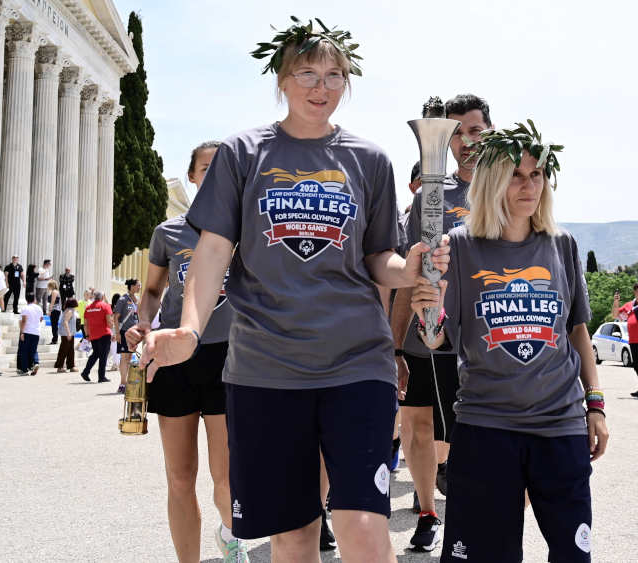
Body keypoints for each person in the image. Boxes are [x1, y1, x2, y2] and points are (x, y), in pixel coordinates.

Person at [138, 19, 451, 562]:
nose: (321, 86)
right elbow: (213, 251)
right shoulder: (242, 153)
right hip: (265, 367)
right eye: (306, 72)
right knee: (293, 531)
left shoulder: (369, 159)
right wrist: (190, 329)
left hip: (357, 362)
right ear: (281, 80)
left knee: (360, 521)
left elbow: (379, 257)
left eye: (334, 74)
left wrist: (411, 268)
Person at [410, 124, 608, 562]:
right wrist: (428, 305)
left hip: (559, 424)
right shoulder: (458, 247)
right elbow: (436, 336)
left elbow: (577, 331)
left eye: (537, 175)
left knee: (573, 555)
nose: (529, 185)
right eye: (517, 175)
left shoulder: (563, 244)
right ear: (494, 181)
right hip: (487, 425)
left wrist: (594, 404)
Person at [125, 140, 250, 562]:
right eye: (204, 167)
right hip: (177, 358)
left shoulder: (246, 230)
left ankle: (229, 535)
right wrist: (143, 321)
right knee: (179, 478)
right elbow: (154, 291)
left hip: (229, 359)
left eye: (221, 168)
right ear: (193, 176)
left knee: (225, 478)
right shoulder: (168, 232)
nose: (212, 174)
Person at [389, 93, 492, 546]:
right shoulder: (432, 195)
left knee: (466, 431)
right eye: (457, 133)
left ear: (490, 130)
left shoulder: (507, 187)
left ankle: (470, 515)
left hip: (481, 332)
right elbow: (408, 276)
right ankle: (428, 513)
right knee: (417, 424)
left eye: (474, 130)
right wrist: (394, 347)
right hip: (424, 328)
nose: (466, 141)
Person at [113, 279, 141, 394]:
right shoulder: (123, 299)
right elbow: (115, 316)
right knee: (124, 357)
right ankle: (122, 383)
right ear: (132, 286)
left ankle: (127, 382)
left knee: (129, 358)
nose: (140, 287)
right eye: (138, 285)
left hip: (133, 333)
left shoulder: (136, 300)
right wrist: (117, 332)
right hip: (124, 332)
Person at [80, 291, 113, 383]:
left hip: (93, 334)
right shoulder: (105, 306)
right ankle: (101, 377)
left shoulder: (88, 308)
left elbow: (85, 324)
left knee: (96, 354)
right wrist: (113, 329)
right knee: (103, 355)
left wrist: (87, 335)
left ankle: (85, 372)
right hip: (104, 334)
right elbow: (109, 323)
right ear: (102, 297)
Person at [17, 295, 43, 375]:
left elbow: (24, 321)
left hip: (27, 331)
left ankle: (24, 370)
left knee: (24, 351)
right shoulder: (39, 308)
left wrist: (22, 332)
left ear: (26, 300)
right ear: (34, 299)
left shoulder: (25, 308)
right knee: (33, 350)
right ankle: (36, 362)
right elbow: (41, 319)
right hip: (36, 332)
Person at [54, 298, 78, 373]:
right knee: (64, 350)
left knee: (70, 350)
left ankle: (71, 366)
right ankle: (60, 366)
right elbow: (65, 322)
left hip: (70, 333)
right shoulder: (70, 311)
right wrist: (68, 333)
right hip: (66, 333)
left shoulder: (70, 310)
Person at [47, 281, 61, 345]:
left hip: (55, 310)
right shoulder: (54, 291)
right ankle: (55, 339)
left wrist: (50, 310)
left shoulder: (54, 292)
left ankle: (55, 339)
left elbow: (52, 301)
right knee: (54, 325)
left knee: (54, 325)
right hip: (56, 310)